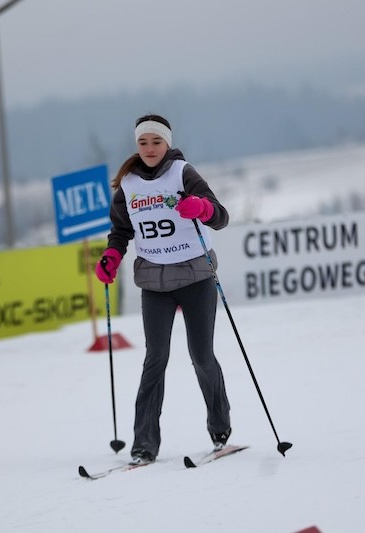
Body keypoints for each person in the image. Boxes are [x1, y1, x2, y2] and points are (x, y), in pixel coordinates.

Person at [95, 114, 232, 465]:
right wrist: (112, 255)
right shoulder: (129, 184)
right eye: (143, 142)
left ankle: (220, 428)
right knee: (155, 358)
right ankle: (144, 444)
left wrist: (201, 207)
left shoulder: (183, 173)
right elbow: (120, 230)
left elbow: (221, 216)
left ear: (167, 143)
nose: (150, 148)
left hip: (195, 277)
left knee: (201, 355)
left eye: (156, 142)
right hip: (154, 283)